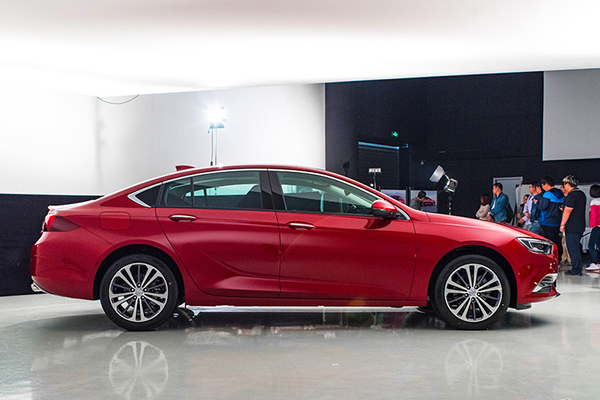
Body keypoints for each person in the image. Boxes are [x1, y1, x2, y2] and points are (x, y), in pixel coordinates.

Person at [560, 175, 587, 276]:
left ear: (567, 184)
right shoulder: (581, 194)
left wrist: (562, 224)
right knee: (576, 247)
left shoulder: (571, 195)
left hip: (572, 226)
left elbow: (568, 210)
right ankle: (577, 267)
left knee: (572, 248)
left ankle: (576, 270)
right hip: (580, 224)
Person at [538, 176, 565, 261]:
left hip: (547, 221)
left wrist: (538, 202)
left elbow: (543, 207)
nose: (542, 188)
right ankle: (558, 258)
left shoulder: (547, 194)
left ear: (546, 184)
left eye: (542, 185)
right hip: (558, 221)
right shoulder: (560, 193)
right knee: (557, 241)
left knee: (548, 242)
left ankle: (550, 259)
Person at [585, 184, 600, 272]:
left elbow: (594, 214)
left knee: (591, 245)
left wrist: (593, 224)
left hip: (597, 226)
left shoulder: (594, 202)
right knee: (599, 245)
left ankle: (595, 262)